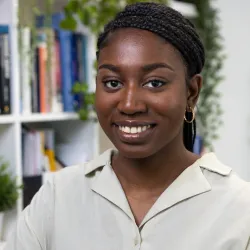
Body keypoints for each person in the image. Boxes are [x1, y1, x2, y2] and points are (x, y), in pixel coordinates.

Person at [5, 2, 250, 250]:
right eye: (112, 83)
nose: (130, 104)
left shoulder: (240, 210)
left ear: (192, 92)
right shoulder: (57, 198)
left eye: (154, 83)